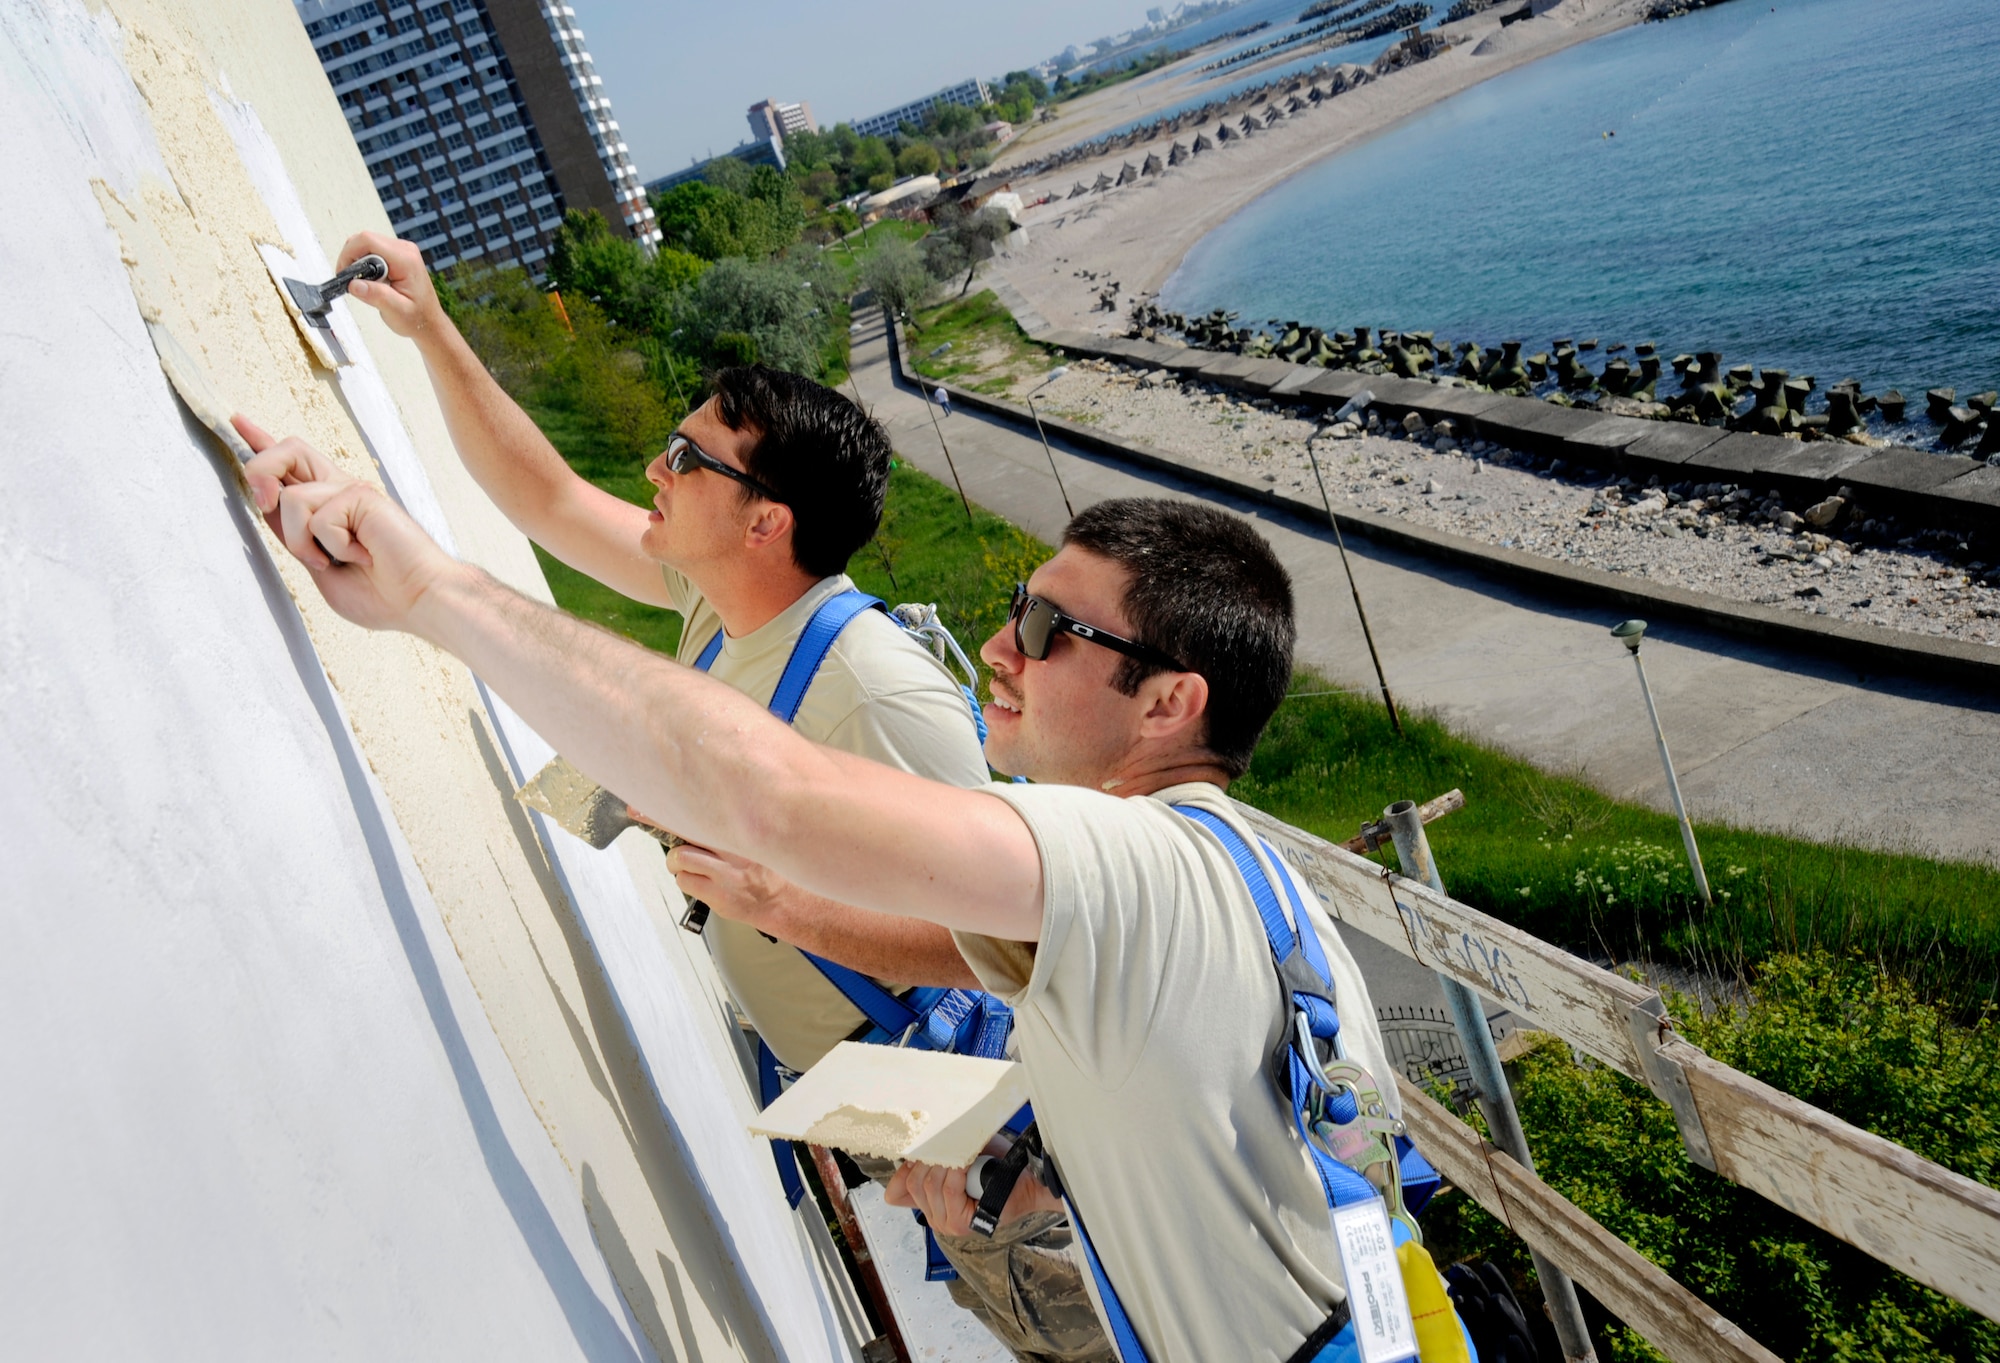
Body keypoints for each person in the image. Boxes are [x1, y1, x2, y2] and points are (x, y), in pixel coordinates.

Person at [242, 432, 1433, 1361]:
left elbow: (774, 792)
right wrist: (1005, 1160)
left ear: (1168, 703)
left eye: (1043, 628)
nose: (998, 648)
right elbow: (1082, 1022)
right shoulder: (1226, 873)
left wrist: (430, 591)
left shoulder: (1132, 860)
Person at [315, 234, 1110, 1363]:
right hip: (859, 1091)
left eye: (685, 457)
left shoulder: (876, 687)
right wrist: (429, 328)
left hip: (960, 1109)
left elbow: (1005, 935)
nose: (653, 468)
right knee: (1002, 1320)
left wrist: (787, 907)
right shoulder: (710, 604)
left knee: (1068, 1331)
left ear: (764, 519)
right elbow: (541, 495)